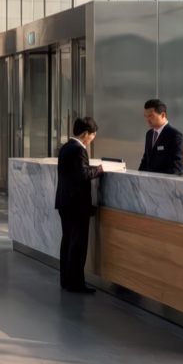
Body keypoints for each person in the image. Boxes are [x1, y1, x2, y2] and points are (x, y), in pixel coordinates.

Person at [55, 116, 105, 293]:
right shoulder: (78, 149)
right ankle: (75, 283)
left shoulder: (65, 147)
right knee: (78, 244)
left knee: (68, 241)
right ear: (85, 134)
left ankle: (66, 280)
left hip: (64, 202)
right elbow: (82, 174)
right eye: (92, 136)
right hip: (76, 205)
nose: (92, 139)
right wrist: (98, 170)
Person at [138, 99, 183, 175]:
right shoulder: (149, 134)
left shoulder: (175, 135)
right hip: (147, 182)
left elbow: (175, 168)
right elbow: (145, 160)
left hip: (164, 183)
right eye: (145, 116)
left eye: (150, 116)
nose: (147, 120)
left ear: (163, 115)